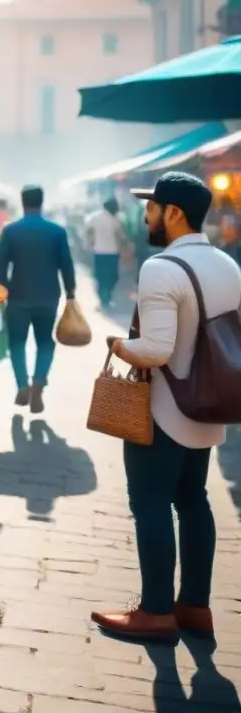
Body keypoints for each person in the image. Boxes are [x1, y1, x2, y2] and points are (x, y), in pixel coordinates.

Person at [92, 172, 241, 642]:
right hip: (207, 407)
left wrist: (120, 344)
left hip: (164, 410)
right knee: (194, 501)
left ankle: (155, 611)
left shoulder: (161, 268)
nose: (146, 216)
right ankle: (195, 607)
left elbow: (155, 349)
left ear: (173, 213)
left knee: (151, 502)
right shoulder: (227, 265)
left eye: (152, 208)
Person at [0, 185, 75, 413]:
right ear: (42, 201)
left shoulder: (11, 230)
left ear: (22, 202)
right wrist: (71, 291)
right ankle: (39, 381)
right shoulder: (57, 231)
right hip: (48, 296)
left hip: (18, 296)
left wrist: (4, 287)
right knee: (45, 342)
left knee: (17, 343)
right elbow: (66, 265)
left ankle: (22, 385)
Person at [85, 198, 126, 308]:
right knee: (110, 276)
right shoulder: (110, 219)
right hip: (108, 252)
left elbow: (88, 230)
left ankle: (104, 297)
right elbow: (120, 236)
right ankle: (105, 298)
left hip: (103, 252)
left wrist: (91, 242)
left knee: (104, 276)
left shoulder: (112, 218)